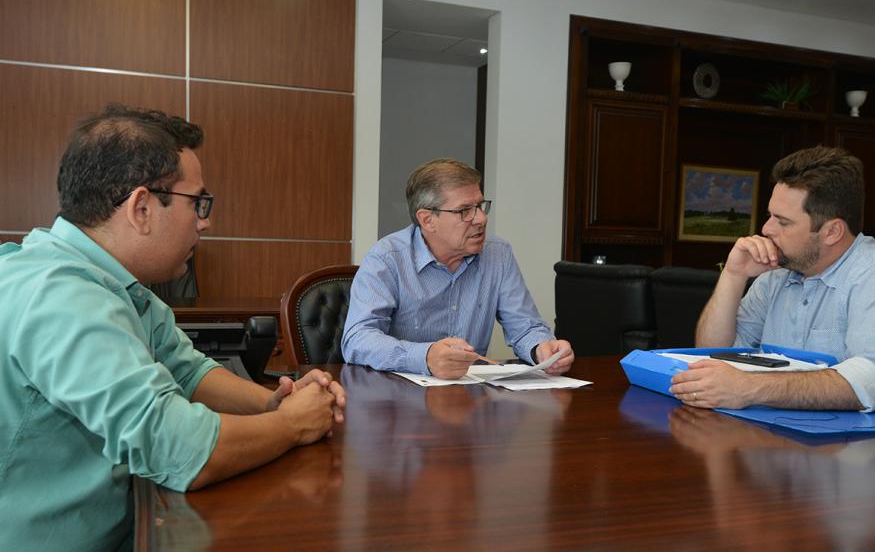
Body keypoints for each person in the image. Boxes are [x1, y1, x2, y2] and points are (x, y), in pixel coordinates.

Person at [0, 104, 346, 551]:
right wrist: (292, 426)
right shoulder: (61, 297)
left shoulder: (116, 284)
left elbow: (188, 371)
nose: (206, 220)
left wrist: (276, 403)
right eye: (198, 202)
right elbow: (179, 448)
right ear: (141, 207)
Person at [670, 146, 875, 411]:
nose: (765, 229)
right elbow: (712, 355)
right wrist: (733, 275)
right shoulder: (775, 275)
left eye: (783, 222)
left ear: (832, 231)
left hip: (859, 446)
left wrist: (750, 387)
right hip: (774, 437)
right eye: (769, 215)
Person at [342, 158, 574, 379]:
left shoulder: (498, 253)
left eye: (480, 206)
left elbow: (525, 327)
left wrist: (542, 348)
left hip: (471, 399)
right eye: (465, 210)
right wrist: (425, 357)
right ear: (427, 220)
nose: (481, 218)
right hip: (399, 400)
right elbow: (357, 339)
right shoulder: (386, 259)